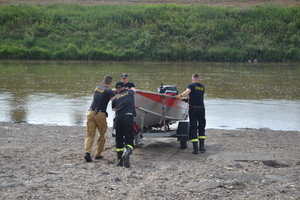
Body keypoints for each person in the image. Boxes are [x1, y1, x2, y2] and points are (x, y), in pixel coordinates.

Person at [84, 75, 115, 162]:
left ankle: (87, 153)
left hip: (90, 112)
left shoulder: (97, 88)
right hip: (100, 114)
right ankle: (98, 154)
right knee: (101, 135)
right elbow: (115, 101)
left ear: (103, 81)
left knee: (90, 135)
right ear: (111, 83)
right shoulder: (109, 91)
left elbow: (101, 95)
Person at [176, 73, 206, 154]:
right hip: (201, 109)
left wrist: (180, 96)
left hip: (193, 109)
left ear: (192, 78)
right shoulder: (202, 87)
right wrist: (186, 99)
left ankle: (195, 149)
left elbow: (187, 92)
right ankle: (202, 147)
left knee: (193, 127)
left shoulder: (191, 85)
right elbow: (196, 97)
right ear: (199, 79)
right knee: (201, 126)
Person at [112, 81, 136, 168]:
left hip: (118, 118)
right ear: (124, 87)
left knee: (119, 139)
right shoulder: (130, 92)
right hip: (128, 117)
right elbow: (134, 89)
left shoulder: (114, 98)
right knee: (129, 138)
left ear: (116, 89)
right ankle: (126, 153)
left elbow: (113, 109)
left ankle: (119, 160)